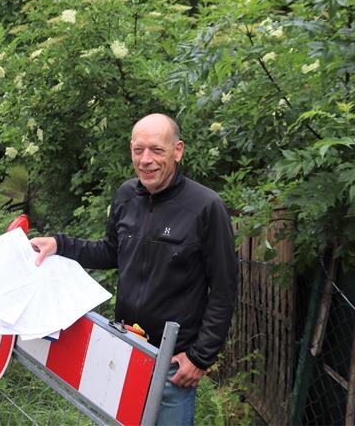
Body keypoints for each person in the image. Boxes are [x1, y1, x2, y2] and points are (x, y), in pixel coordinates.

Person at [31, 113, 237, 426]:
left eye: (156, 150)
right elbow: (111, 252)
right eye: (138, 150)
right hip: (123, 349)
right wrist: (59, 244)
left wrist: (200, 358)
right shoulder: (126, 195)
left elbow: (223, 290)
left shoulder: (206, 207)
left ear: (178, 150)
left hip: (172, 365)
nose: (145, 160)